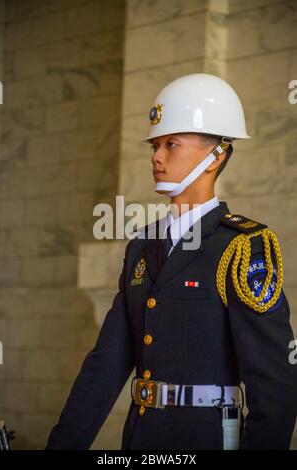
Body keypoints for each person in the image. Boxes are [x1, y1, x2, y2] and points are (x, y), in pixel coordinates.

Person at [46, 74, 297, 450]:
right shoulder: (141, 247)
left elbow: (275, 385)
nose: (156, 156)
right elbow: (105, 365)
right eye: (155, 145)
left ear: (216, 156)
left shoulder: (244, 246)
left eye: (171, 144)